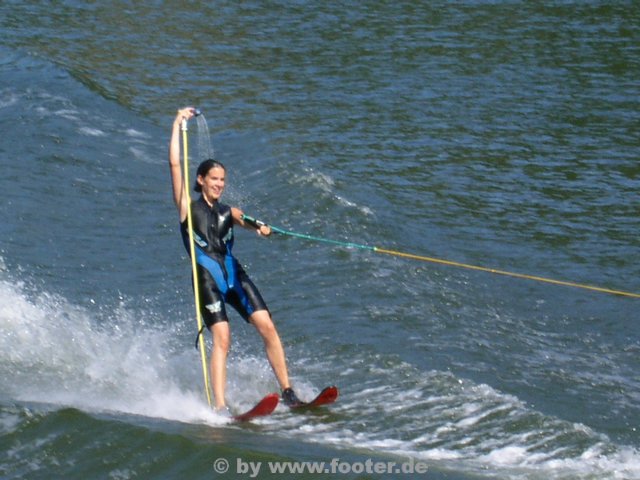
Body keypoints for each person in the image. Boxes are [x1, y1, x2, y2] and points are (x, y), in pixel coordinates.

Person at [168, 106, 301, 411]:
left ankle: (288, 392)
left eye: (222, 180)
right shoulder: (187, 206)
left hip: (233, 275)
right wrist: (177, 123)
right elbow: (175, 164)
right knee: (223, 338)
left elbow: (248, 221)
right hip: (207, 278)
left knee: (267, 326)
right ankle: (219, 406)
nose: (219, 184)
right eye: (213, 179)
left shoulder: (229, 211)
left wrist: (262, 228)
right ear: (200, 180)